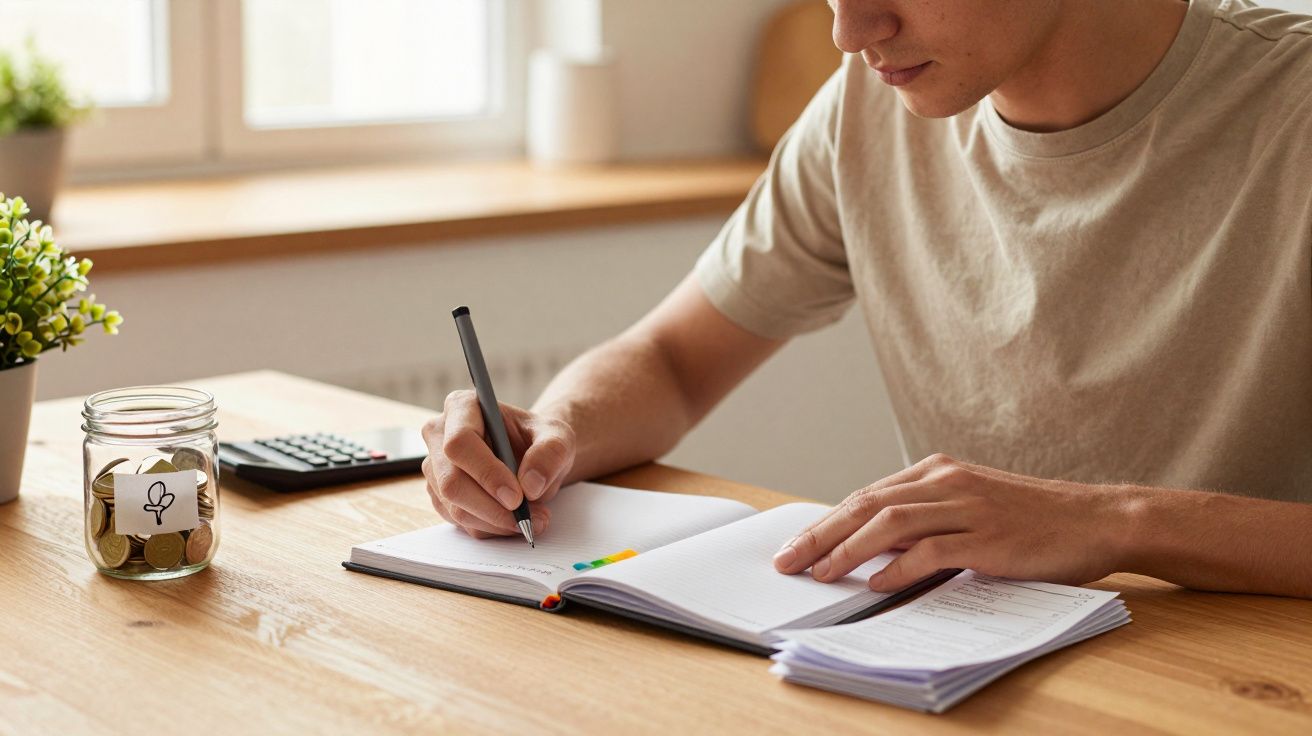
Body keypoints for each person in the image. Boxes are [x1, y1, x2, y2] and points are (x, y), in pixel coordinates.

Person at [422, 0, 1312, 599]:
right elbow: (673, 360)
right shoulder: (869, 106)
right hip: (970, 672)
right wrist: (547, 439)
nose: (849, 29)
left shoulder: (1294, 107)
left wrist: (1116, 523)